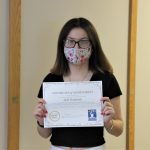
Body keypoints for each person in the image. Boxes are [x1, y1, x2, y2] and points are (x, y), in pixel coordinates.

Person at [33, 17, 123, 150]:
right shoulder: (51, 81)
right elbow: (45, 134)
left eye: (83, 42)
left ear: (93, 45)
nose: (76, 47)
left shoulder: (107, 79)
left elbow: (119, 130)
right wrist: (41, 121)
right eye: (70, 41)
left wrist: (108, 122)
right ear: (62, 44)